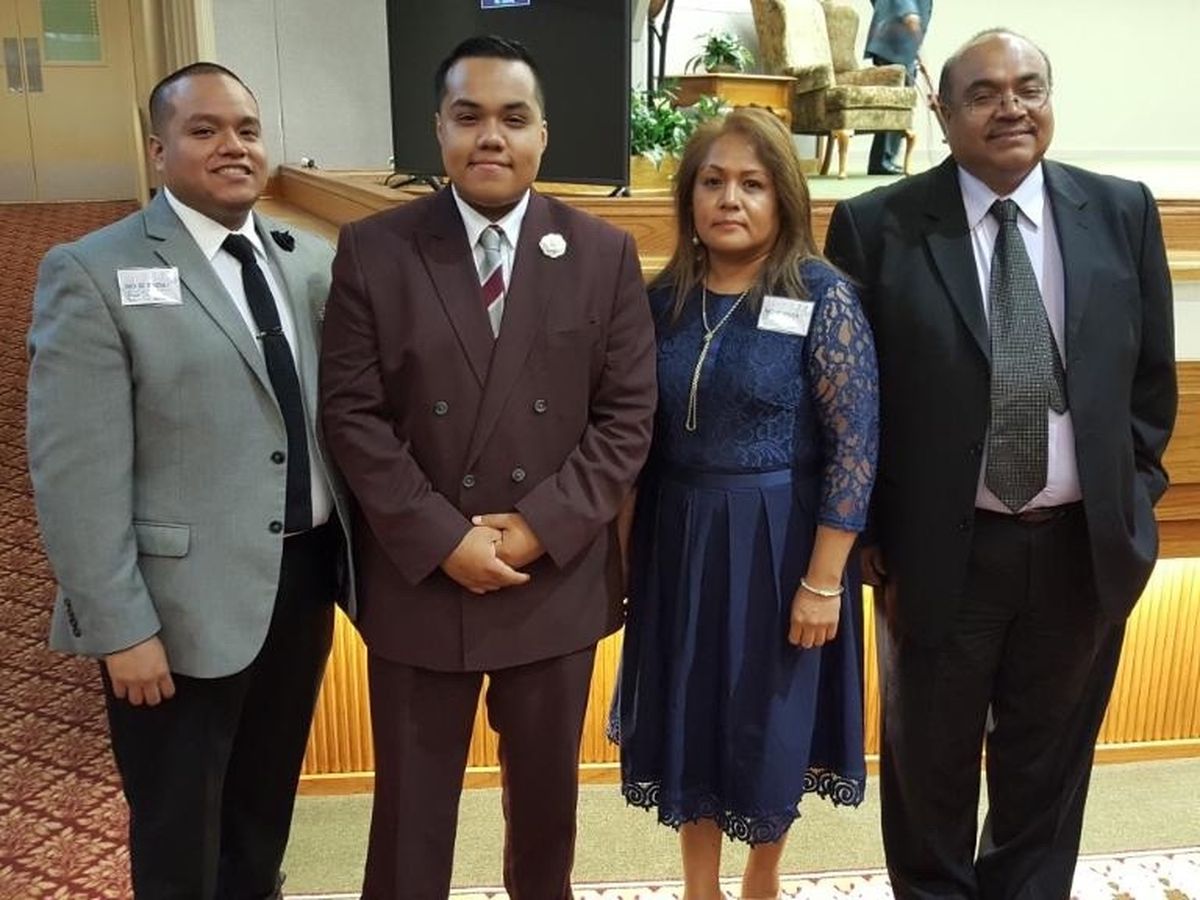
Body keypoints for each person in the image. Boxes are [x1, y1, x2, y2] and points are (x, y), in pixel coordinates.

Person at [824, 29, 1176, 900]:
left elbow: (1149, 383)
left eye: (1028, 87)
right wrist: (867, 535)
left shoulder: (1122, 211)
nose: (1010, 107)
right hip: (942, 554)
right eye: (983, 94)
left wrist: (1132, 498)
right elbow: (846, 402)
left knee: (1045, 780)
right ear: (941, 112)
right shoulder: (879, 225)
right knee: (929, 776)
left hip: (1080, 551)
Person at [319, 35, 656, 900]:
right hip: (420, 578)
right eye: (469, 117)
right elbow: (352, 415)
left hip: (550, 579)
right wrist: (444, 539)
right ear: (439, 129)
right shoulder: (374, 249)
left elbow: (626, 419)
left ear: (543, 134)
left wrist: (539, 526)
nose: (491, 137)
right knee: (409, 824)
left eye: (513, 118)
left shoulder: (602, 253)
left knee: (546, 825)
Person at [26, 62, 352, 898]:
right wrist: (119, 627)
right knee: (179, 831)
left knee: (262, 816)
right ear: (157, 150)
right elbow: (73, 474)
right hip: (172, 612)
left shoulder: (307, 261)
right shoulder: (92, 271)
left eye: (246, 129)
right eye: (203, 130)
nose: (232, 146)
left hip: (300, 584)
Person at [614, 107, 879, 900]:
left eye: (752, 184)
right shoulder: (661, 300)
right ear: (690, 197)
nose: (730, 199)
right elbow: (633, 442)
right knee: (689, 713)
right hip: (678, 537)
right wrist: (623, 562)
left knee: (769, 720)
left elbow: (856, 447)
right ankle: (699, 886)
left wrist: (824, 580)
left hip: (781, 543)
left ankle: (763, 876)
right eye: (713, 181)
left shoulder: (821, 296)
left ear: (783, 198)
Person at [864, 0, 932, 174]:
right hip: (893, 43)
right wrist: (907, 11)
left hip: (903, 44)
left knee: (900, 105)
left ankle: (884, 160)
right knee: (894, 103)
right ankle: (882, 161)